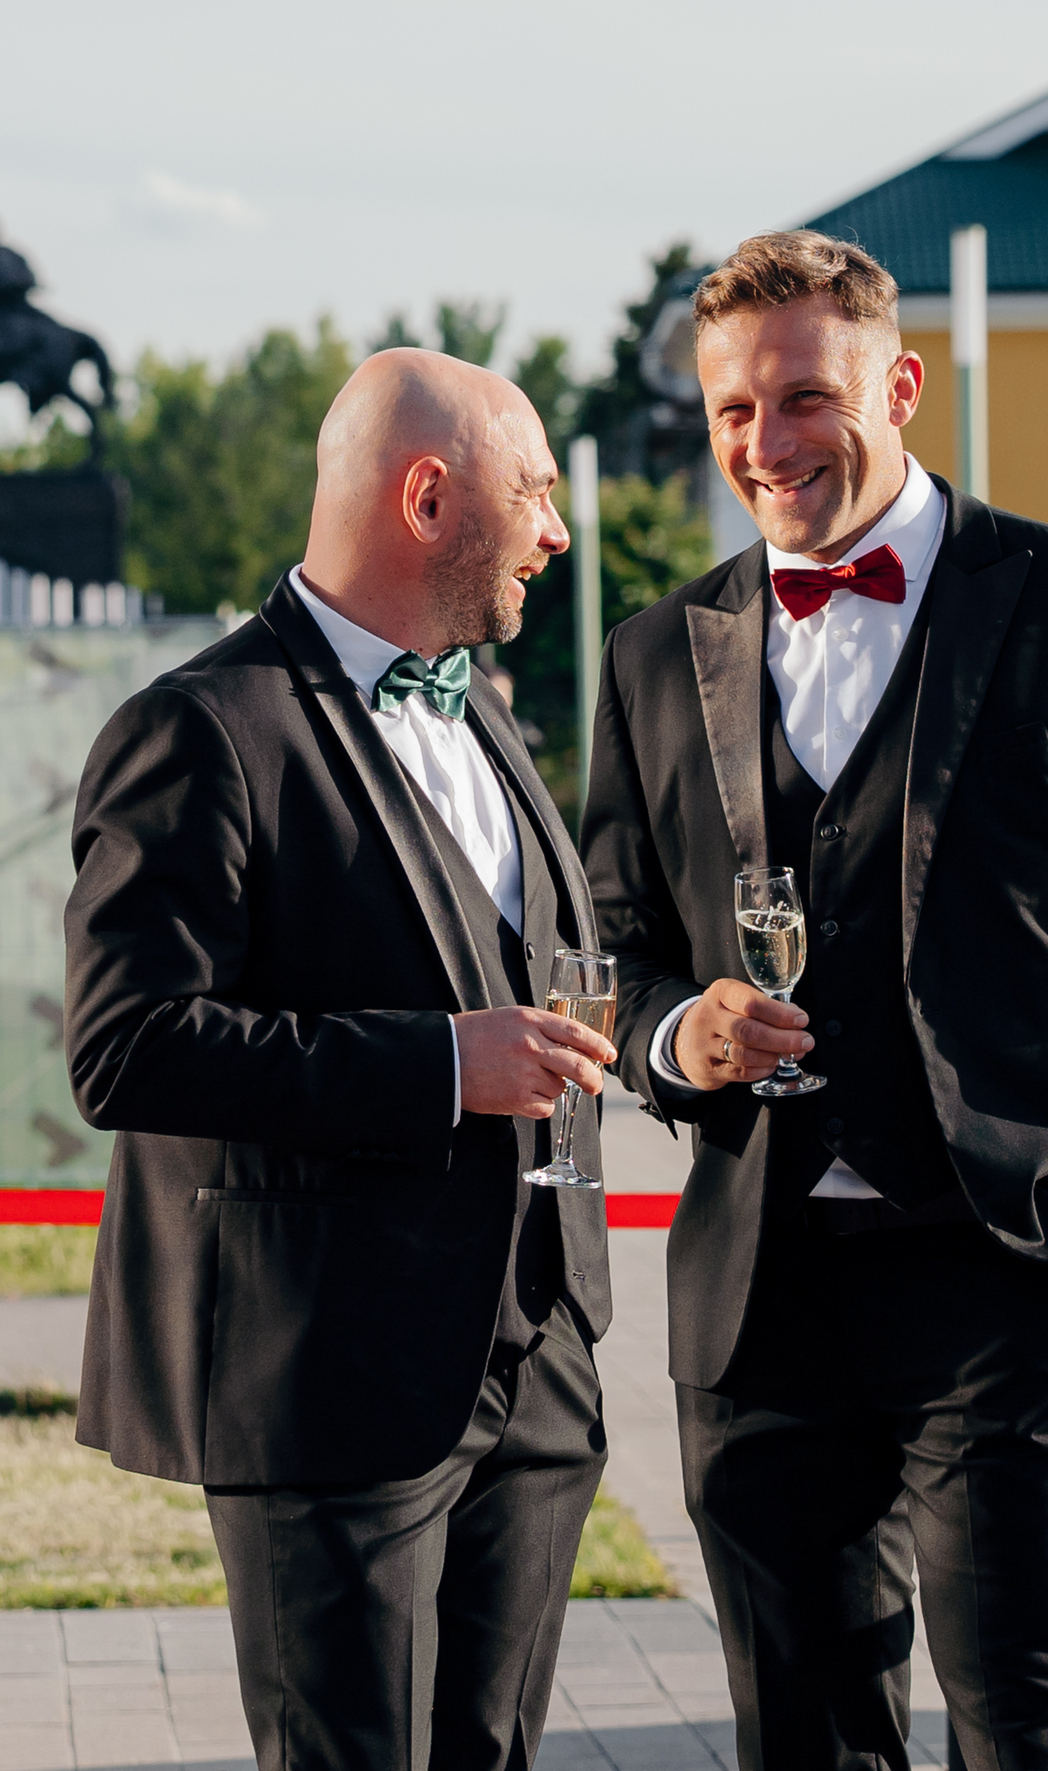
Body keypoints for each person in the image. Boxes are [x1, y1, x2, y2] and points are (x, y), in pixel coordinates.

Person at [580, 231, 1048, 1771]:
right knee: (804, 1735)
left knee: (1033, 1726)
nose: (768, 443)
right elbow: (615, 948)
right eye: (734, 411)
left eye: (804, 399)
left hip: (1011, 1270)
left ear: (897, 389)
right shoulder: (651, 654)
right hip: (760, 1294)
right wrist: (679, 1034)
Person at [64, 349, 615, 1771]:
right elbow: (128, 1048)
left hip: (538, 1363)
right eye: (534, 492)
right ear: (428, 499)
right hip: (327, 1379)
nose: (558, 532)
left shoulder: (484, 712)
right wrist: (439, 1066)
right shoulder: (199, 729)